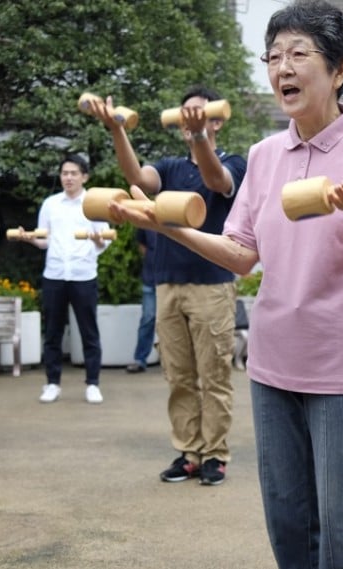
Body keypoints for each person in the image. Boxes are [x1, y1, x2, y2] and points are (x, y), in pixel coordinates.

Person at [107, 2, 343, 569]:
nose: (282, 68)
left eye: (298, 53)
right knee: (289, 516)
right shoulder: (267, 156)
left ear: (340, 68)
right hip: (274, 361)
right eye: (273, 57)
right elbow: (241, 254)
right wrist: (165, 227)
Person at [87, 86, 245, 486]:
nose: (189, 120)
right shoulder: (171, 167)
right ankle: (189, 451)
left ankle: (215, 454)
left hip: (212, 283)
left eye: (199, 113)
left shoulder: (234, 163)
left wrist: (198, 138)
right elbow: (137, 177)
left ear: (217, 119)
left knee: (214, 376)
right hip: (168, 284)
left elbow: (215, 178)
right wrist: (116, 130)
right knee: (178, 376)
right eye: (185, 115)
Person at [14, 154, 109, 404]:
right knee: (53, 331)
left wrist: (96, 238)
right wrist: (29, 238)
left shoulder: (94, 203)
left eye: (73, 173)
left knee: (89, 331)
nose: (68, 177)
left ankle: (93, 383)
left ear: (84, 176)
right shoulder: (51, 204)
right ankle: (52, 383)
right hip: (55, 274)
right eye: (64, 173)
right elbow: (44, 239)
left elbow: (105, 240)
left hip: (83, 274)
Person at [126, 227, 157, 373]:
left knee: (175, 320)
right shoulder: (147, 218)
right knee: (147, 319)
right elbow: (142, 244)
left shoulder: (176, 214)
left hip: (172, 281)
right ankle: (140, 360)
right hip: (150, 279)